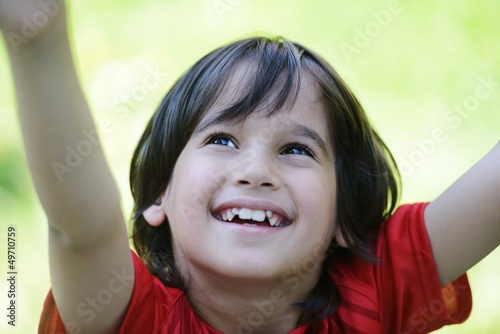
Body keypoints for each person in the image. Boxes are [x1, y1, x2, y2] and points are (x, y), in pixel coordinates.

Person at [1, 1, 498, 333]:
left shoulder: (375, 293)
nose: (257, 170)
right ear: (159, 196)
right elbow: (80, 228)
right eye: (221, 139)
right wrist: (38, 40)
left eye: (297, 150)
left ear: (344, 217)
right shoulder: (130, 316)